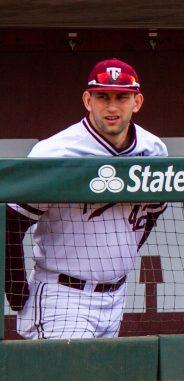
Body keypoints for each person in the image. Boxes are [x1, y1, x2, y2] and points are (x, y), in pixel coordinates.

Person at [5, 59, 168, 339]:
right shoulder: (56, 152)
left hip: (116, 295)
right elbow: (10, 223)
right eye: (102, 97)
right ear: (87, 100)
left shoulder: (153, 150)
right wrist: (16, 289)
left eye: (122, 97)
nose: (112, 107)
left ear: (137, 101)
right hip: (63, 295)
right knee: (69, 380)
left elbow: (152, 214)